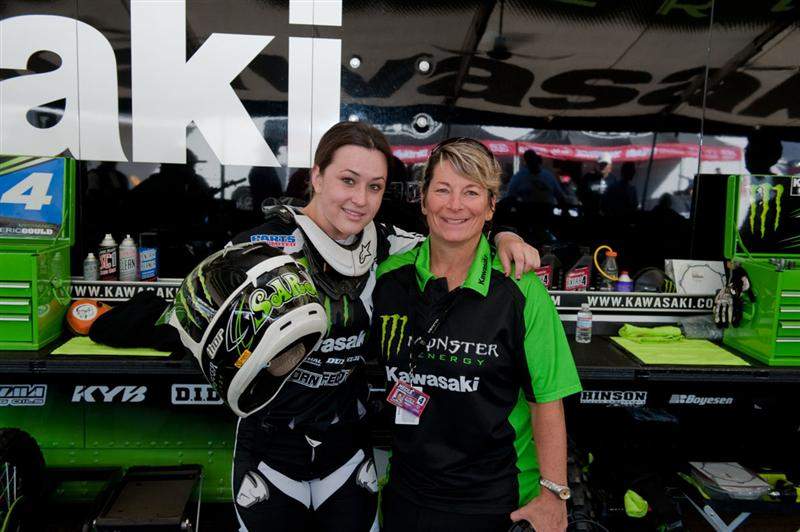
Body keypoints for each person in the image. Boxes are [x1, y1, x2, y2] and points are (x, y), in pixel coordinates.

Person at [227, 123, 539, 532]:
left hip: (346, 449)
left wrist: (504, 236)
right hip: (270, 448)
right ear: (317, 176)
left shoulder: (385, 244)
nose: (360, 200)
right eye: (348, 181)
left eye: (375, 187)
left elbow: (452, 233)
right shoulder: (259, 248)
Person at [371, 138, 582, 532]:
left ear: (490, 206)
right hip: (406, 493)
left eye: (471, 192)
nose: (455, 205)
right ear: (423, 199)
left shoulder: (521, 288)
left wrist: (554, 496)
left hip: (493, 501)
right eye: (443, 190)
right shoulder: (388, 278)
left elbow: (547, 400)